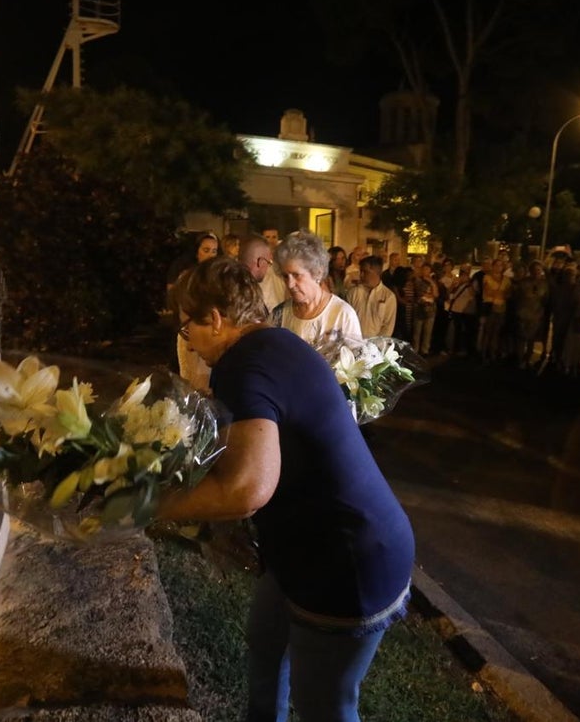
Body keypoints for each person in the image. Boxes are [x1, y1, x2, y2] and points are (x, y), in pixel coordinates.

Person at [163, 257, 416, 722]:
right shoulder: (275, 341)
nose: (189, 344)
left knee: (324, 704)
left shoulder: (242, 365)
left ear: (215, 319)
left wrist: (154, 506)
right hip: (306, 547)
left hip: (346, 560)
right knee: (266, 644)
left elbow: (247, 488)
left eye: (186, 329)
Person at [271, 230, 362, 345]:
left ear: (318, 273)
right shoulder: (279, 314)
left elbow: (356, 356)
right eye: (285, 276)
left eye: (296, 275)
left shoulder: (343, 314)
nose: (290, 284)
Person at [168, 231, 219, 393]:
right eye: (206, 250)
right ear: (196, 252)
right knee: (191, 387)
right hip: (189, 336)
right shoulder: (187, 277)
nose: (210, 255)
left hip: (213, 338)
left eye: (214, 251)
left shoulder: (219, 278)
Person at [346, 255, 397, 338]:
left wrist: (375, 344)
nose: (361, 275)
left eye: (365, 272)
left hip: (376, 344)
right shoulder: (353, 293)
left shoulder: (388, 296)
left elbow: (388, 327)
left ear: (377, 272)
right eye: (361, 271)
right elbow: (347, 320)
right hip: (354, 341)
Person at [239, 233, 288, 315]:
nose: (268, 267)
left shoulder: (229, 283)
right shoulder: (248, 296)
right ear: (260, 262)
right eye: (268, 262)